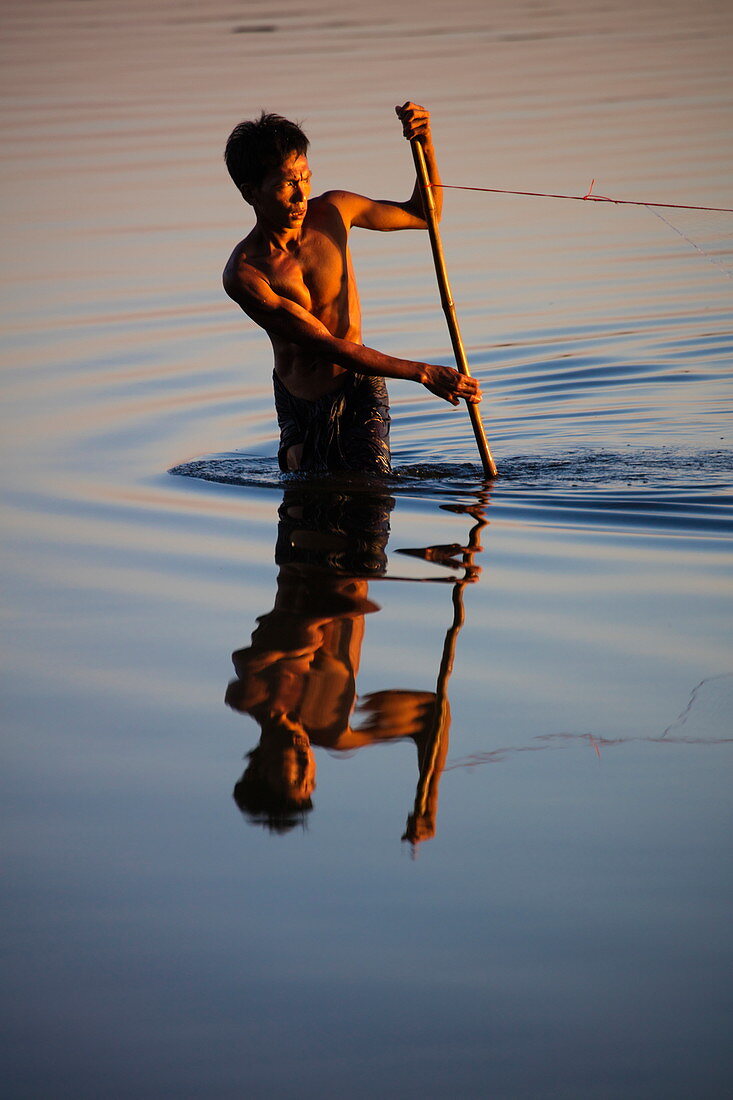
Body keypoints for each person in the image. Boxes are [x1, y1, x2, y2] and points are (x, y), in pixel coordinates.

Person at [222, 103, 482, 474]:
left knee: (370, 498)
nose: (300, 196)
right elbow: (325, 345)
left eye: (305, 178)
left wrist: (424, 143)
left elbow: (425, 215)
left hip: (358, 385)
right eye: (285, 185)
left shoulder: (335, 210)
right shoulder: (245, 274)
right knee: (305, 506)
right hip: (300, 398)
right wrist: (423, 372)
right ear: (251, 192)